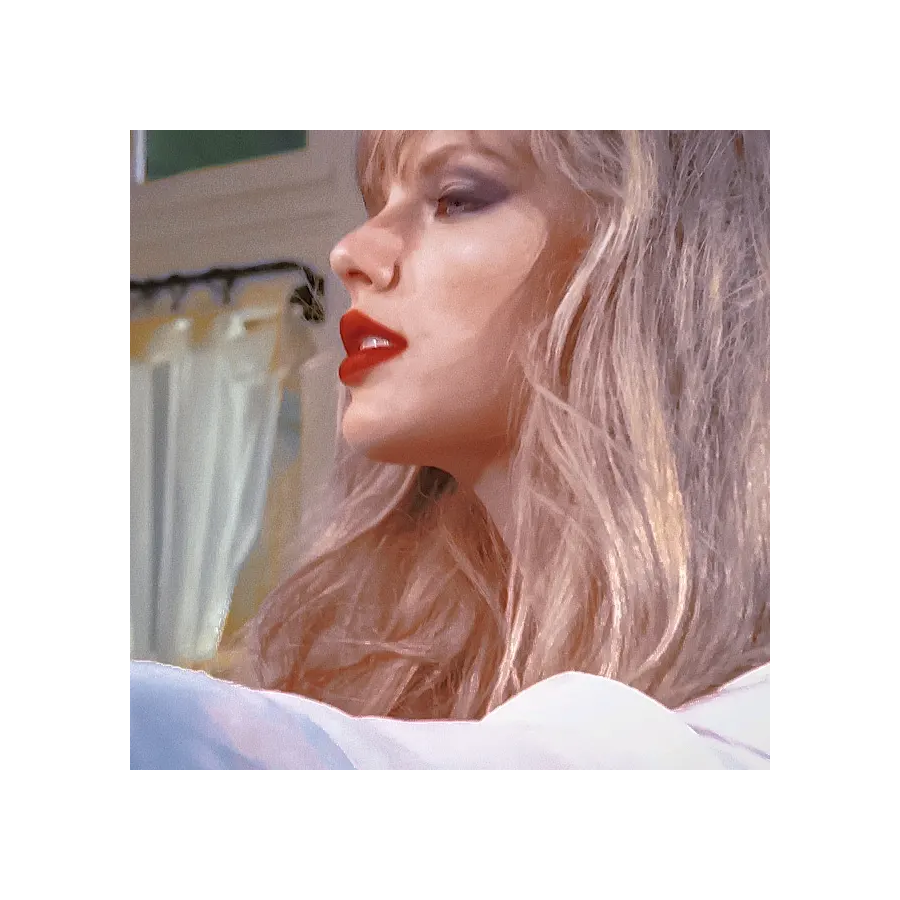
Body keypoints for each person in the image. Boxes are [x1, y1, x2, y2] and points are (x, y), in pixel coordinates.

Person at [131, 130, 770, 769]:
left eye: (457, 198)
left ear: (660, 257)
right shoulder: (379, 663)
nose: (350, 252)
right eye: (376, 203)